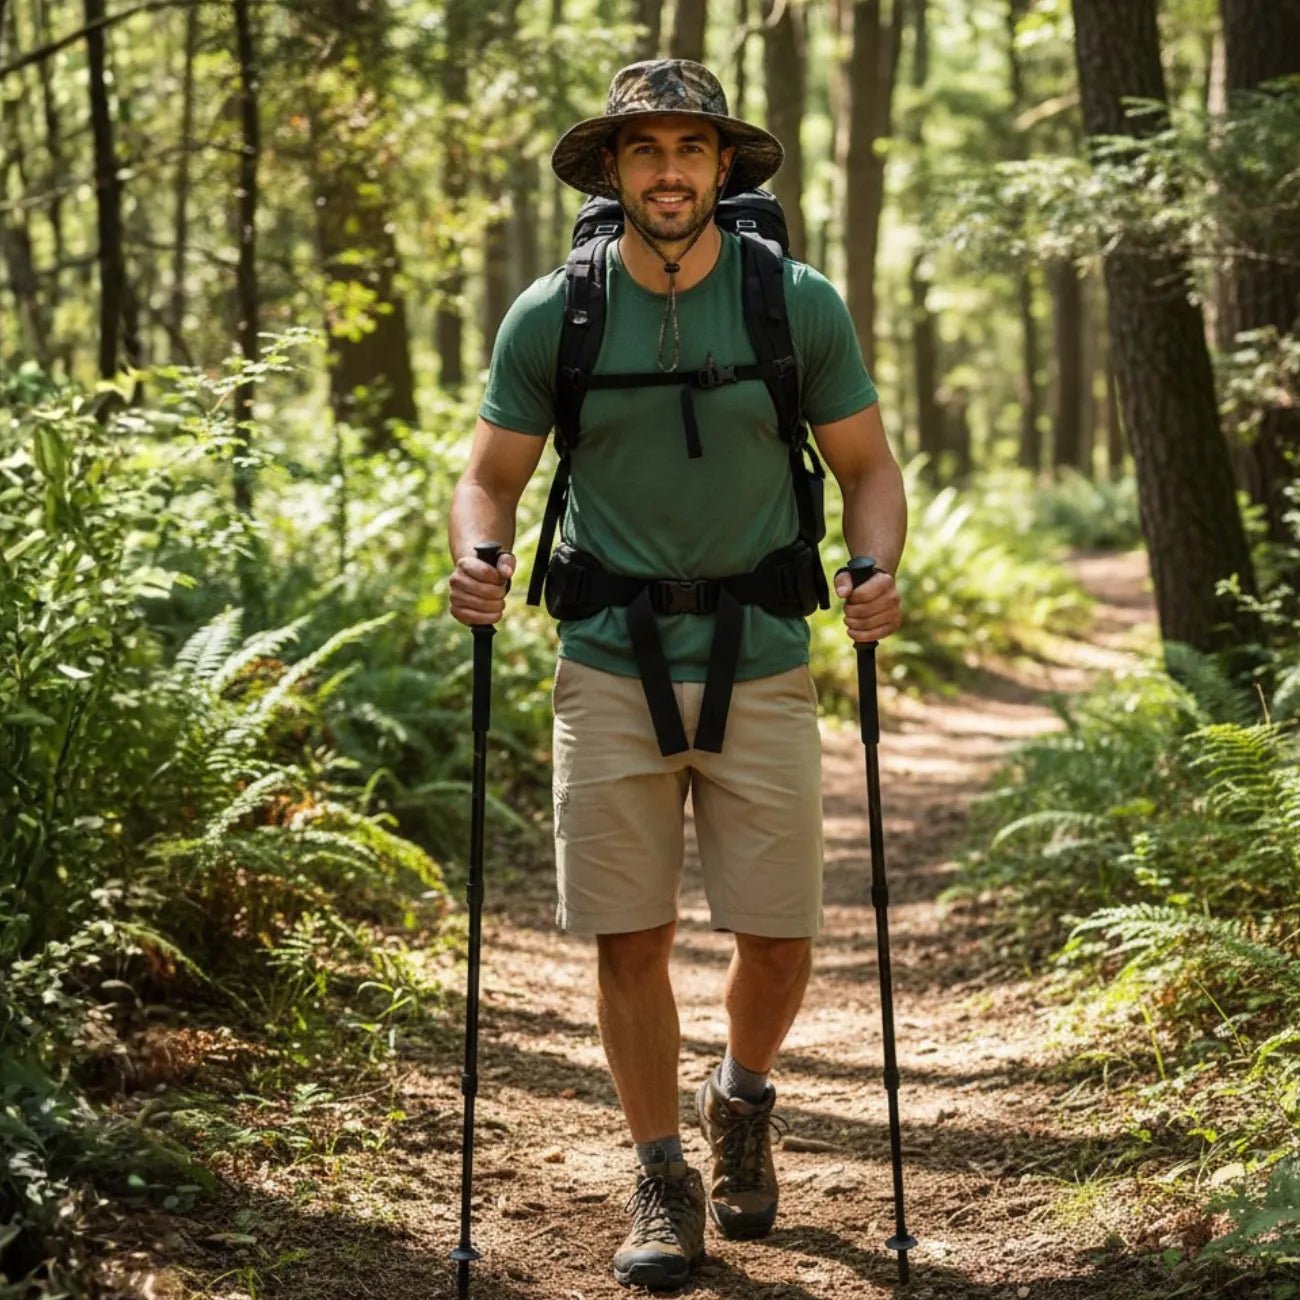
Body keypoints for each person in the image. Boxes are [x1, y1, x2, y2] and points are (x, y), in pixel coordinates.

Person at [448, 58, 906, 1292]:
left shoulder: (791, 303)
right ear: (610, 169)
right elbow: (489, 475)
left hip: (762, 656)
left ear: (721, 167)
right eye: (642, 149)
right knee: (627, 935)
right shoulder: (557, 312)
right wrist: (476, 556)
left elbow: (867, 464)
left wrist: (872, 569)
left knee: (777, 938)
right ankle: (661, 1167)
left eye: (688, 148)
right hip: (606, 658)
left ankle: (740, 1096)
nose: (666, 169)